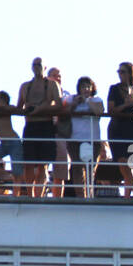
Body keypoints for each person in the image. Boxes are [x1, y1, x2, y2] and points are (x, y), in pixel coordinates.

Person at [17, 57, 60, 197]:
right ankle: (30, 195)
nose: (37, 67)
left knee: (43, 164)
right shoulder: (25, 86)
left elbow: (58, 106)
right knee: (29, 163)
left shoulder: (52, 85)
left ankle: (39, 195)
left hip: (46, 126)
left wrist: (42, 109)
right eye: (34, 65)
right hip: (30, 126)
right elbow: (19, 108)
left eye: (39, 65)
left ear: (45, 67)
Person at [107, 62, 133, 199]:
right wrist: (125, 105)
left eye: (123, 72)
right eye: (119, 72)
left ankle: (127, 197)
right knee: (123, 163)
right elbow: (111, 110)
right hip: (117, 128)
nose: (120, 74)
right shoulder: (114, 89)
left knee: (132, 165)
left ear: (130, 73)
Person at [68, 77, 103, 198]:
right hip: (75, 139)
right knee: (77, 168)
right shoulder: (72, 99)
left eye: (88, 86)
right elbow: (65, 112)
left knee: (90, 169)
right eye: (83, 86)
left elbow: (99, 112)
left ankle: (90, 194)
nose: (86, 89)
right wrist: (75, 103)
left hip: (92, 139)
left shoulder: (97, 99)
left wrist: (87, 101)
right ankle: (80, 196)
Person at [47, 67, 71, 196]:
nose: (58, 78)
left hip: (60, 133)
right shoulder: (43, 93)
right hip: (45, 130)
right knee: (41, 167)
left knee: (61, 168)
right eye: (54, 75)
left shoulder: (66, 95)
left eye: (59, 76)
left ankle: (58, 198)